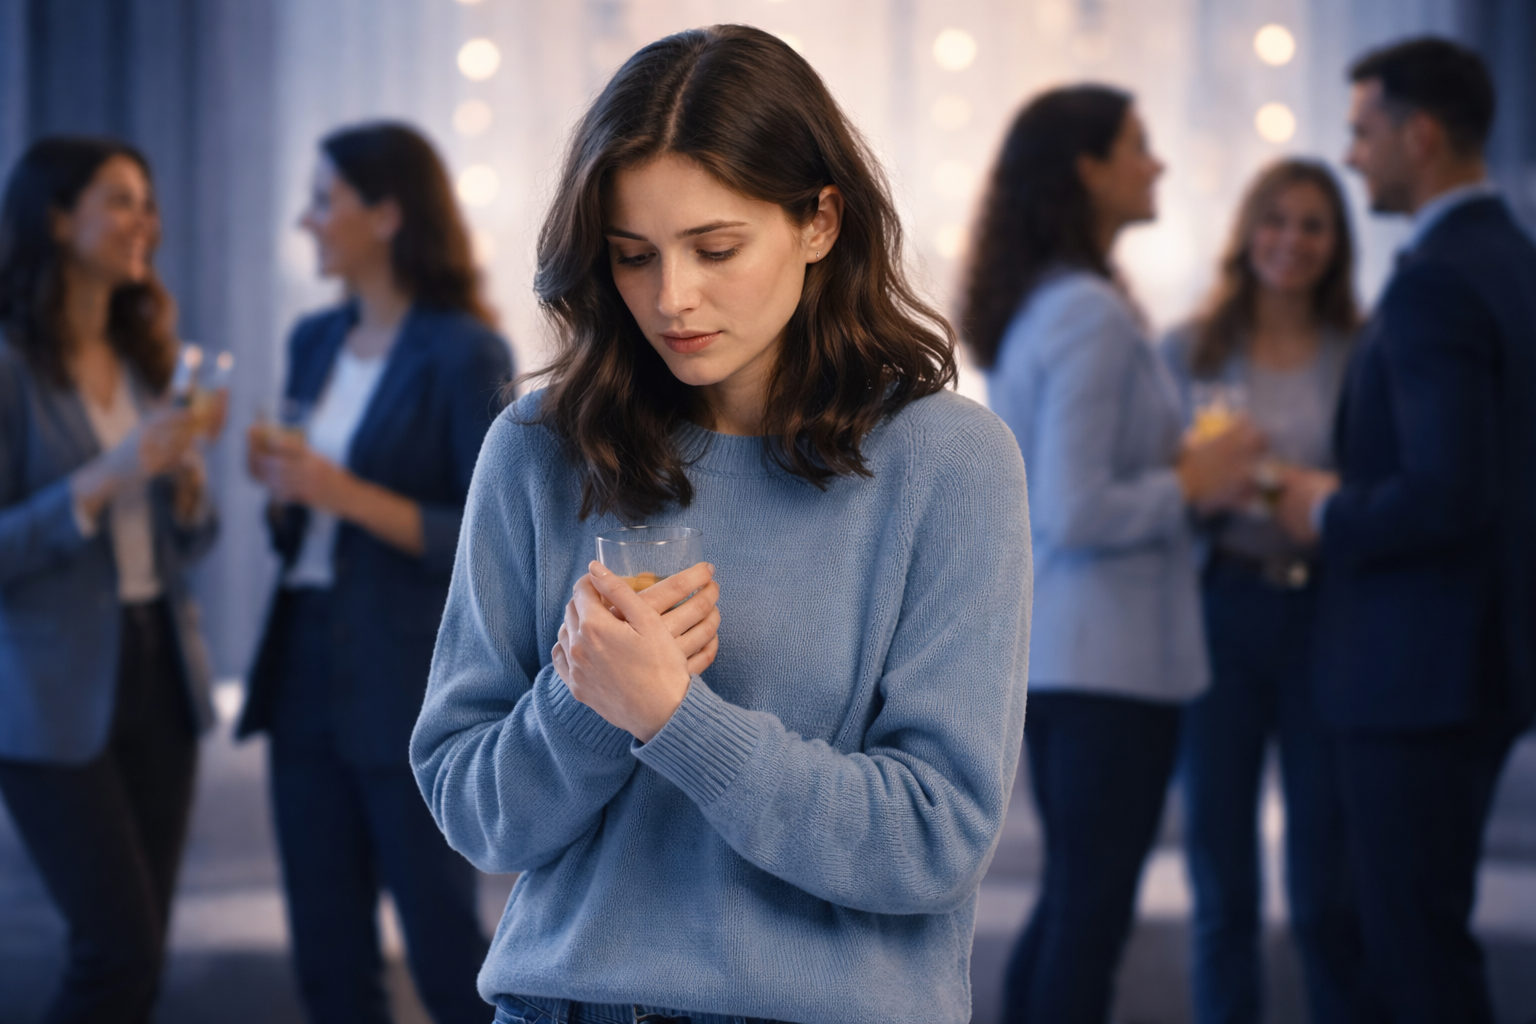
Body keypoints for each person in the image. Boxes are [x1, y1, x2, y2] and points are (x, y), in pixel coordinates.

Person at [411, 24, 1031, 1024]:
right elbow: (474, 810)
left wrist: (675, 719)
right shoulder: (537, 448)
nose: (672, 298)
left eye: (716, 247)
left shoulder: (948, 463)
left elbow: (935, 839)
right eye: (632, 256)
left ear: (820, 222)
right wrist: (587, 705)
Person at [959, 86, 1262, 1024]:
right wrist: (1195, 480)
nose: (1158, 162)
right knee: (1089, 913)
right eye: (1140, 143)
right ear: (1087, 169)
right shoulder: (1086, 312)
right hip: (1107, 669)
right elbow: (1073, 506)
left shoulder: (1053, 302)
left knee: (1074, 906)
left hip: (1077, 659)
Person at [1274, 37, 1536, 1024]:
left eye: (1363, 131)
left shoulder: (1437, 279)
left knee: (1413, 951)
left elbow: (1447, 490)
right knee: (1416, 929)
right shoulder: (1512, 260)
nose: (1353, 156)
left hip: (1415, 677)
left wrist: (1321, 505)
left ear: (1419, 134)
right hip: (1474, 662)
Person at [237, 122, 510, 1024]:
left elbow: (484, 533)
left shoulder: (464, 350)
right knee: (326, 948)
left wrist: (339, 492)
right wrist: (286, 497)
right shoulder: (314, 339)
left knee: (442, 944)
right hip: (304, 664)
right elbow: (304, 533)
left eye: (324, 200)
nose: (306, 220)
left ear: (387, 213)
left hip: (405, 677)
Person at [0, 137, 224, 1022]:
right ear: (57, 219)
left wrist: (188, 490)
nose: (147, 223)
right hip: (47, 694)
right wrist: (103, 478)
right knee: (115, 949)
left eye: (149, 202)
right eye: (122, 200)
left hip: (157, 671)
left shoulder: (148, 362)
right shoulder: (11, 368)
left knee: (144, 953)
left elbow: (188, 546)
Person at [1162, 159, 1371, 1024]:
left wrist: (1275, 484)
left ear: (1338, 243)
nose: (1291, 240)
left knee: (1328, 887)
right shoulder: (1189, 346)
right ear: (1247, 232)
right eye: (1275, 220)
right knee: (1224, 883)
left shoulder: (1364, 348)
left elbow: (1375, 487)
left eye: (1314, 224)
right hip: (1221, 605)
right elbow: (1155, 475)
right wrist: (1206, 486)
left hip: (1328, 615)